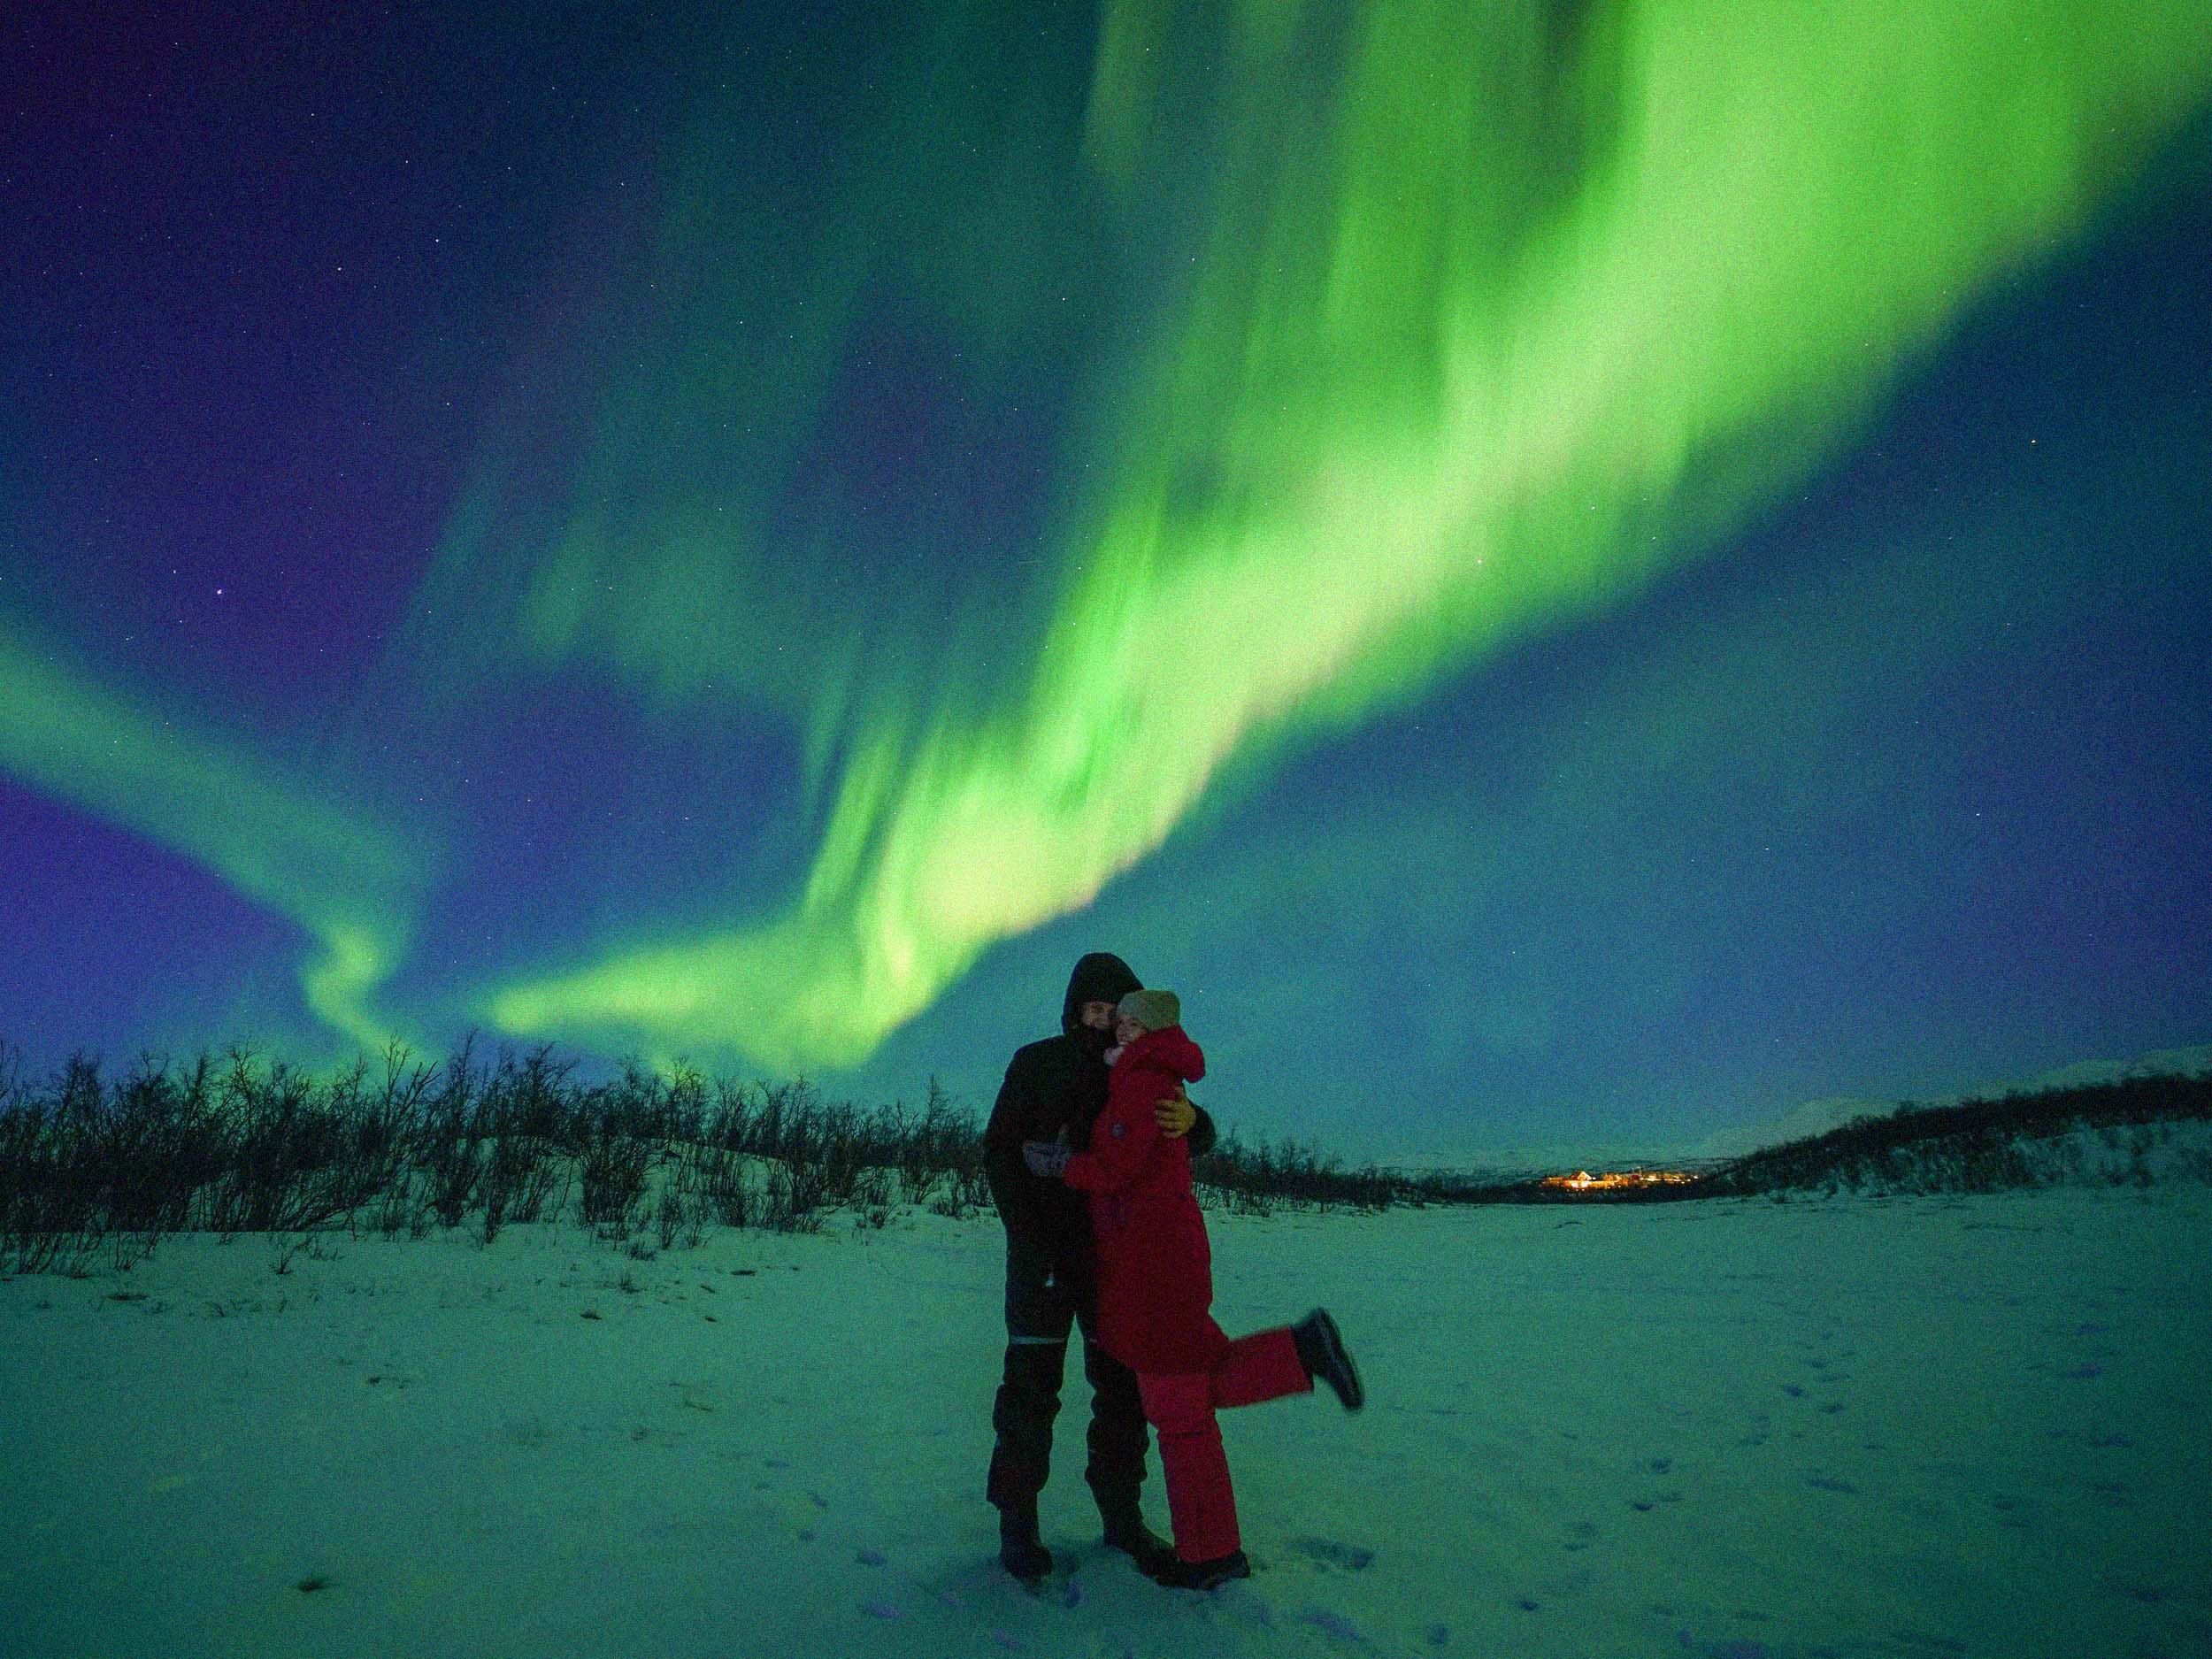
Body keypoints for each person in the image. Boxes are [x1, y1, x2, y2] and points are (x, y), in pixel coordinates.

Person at [1025, 987, 1364, 1592]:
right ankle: (1301, 1351)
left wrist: (1060, 1165)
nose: (1117, 1028)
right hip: (1152, 1260)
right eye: (1109, 1016)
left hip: (1154, 1265)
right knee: (1196, 1384)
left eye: (1127, 1020)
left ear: (1149, 1029)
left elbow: (1115, 1167)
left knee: (1180, 1409)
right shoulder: (1143, 1074)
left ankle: (1210, 1555)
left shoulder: (1144, 1080)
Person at [982, 952, 1217, 1583]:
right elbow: (999, 1154)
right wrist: (1031, 1243)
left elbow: (1174, 1127)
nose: (1105, 1021)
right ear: (1074, 1009)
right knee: (1030, 1394)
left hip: (1113, 1268)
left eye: (1116, 1013)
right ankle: (1017, 1526)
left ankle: (1123, 1518)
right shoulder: (1036, 1062)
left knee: (1122, 1394)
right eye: (1094, 1009)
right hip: (1040, 1266)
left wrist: (1197, 1122)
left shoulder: (1133, 1071)